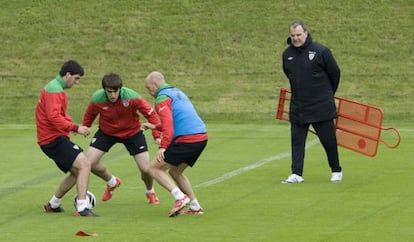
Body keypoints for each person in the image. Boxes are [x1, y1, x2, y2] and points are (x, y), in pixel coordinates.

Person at [82, 72, 161, 204]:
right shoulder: (97, 98)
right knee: (87, 163)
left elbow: (151, 115)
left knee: (146, 169)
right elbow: (90, 114)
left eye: (116, 91)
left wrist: (156, 135)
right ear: (104, 90)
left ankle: (150, 191)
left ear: (120, 89)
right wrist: (85, 127)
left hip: (132, 132)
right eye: (109, 92)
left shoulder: (132, 97)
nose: (113, 95)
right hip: (107, 132)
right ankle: (112, 182)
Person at [281, 20, 343, 183]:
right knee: (297, 141)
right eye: (293, 35)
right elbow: (290, 76)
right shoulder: (287, 55)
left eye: (299, 35)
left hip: (320, 105)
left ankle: (336, 170)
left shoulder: (321, 51)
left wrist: (327, 94)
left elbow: (335, 74)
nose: (296, 38)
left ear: (306, 34)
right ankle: (297, 173)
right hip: (298, 106)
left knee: (328, 140)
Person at [36, 60, 97, 216]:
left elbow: (59, 115)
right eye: (76, 78)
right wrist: (75, 127)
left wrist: (70, 125)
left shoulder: (55, 88)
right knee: (84, 164)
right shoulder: (54, 90)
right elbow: (53, 117)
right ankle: (82, 207)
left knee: (77, 171)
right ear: (67, 75)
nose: (76, 82)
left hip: (52, 138)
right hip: (53, 139)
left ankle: (53, 204)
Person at [143, 71, 208, 217]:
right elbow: (179, 118)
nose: (149, 92)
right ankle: (195, 206)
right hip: (201, 137)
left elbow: (169, 124)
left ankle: (180, 197)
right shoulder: (176, 92)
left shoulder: (162, 97)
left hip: (186, 139)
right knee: (175, 171)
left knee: (153, 168)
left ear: (155, 84)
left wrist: (163, 146)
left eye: (148, 88)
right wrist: (156, 127)